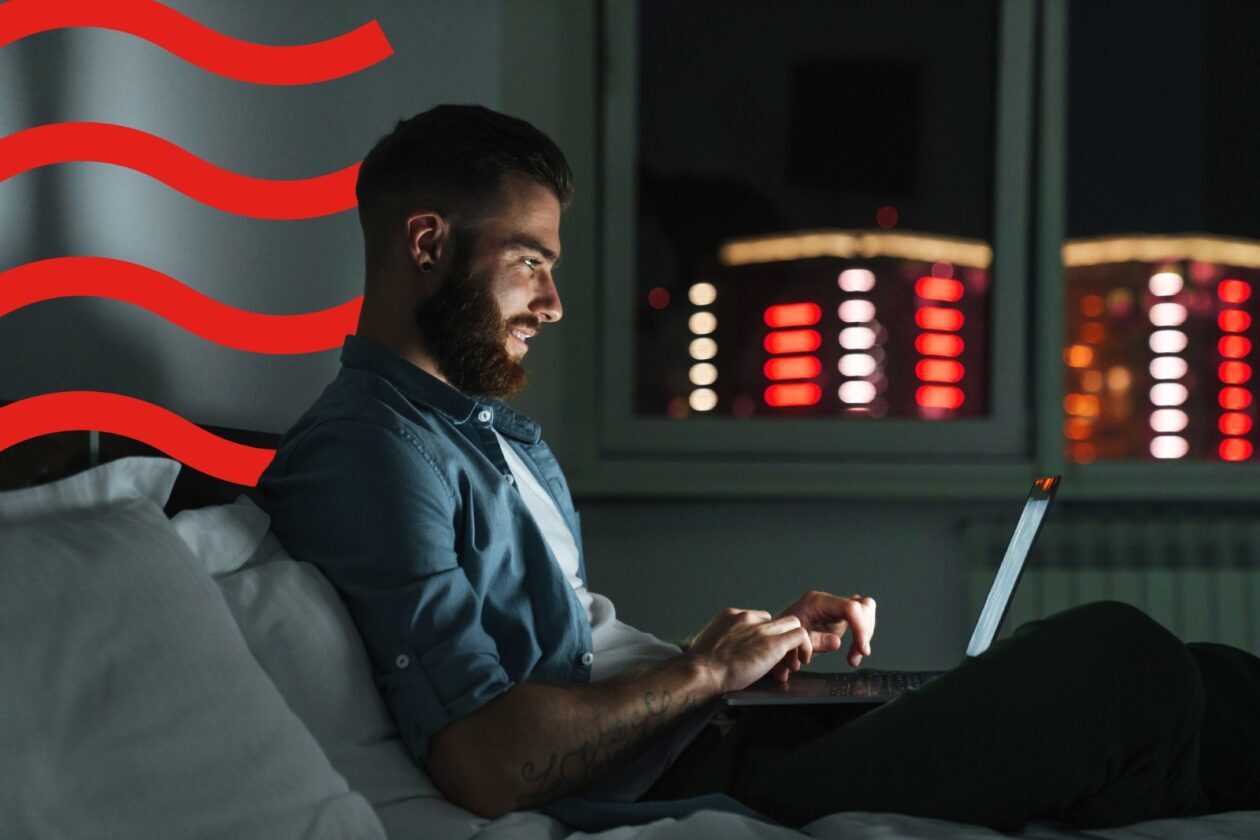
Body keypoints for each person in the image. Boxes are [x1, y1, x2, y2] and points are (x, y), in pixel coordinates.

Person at [256, 104, 1260, 832]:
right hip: (704, 781)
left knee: (1205, 678)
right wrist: (702, 675)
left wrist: (732, 655)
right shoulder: (370, 451)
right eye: (530, 260)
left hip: (719, 731)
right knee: (1117, 662)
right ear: (427, 243)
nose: (554, 303)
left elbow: (565, 660)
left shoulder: (484, 433)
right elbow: (485, 762)